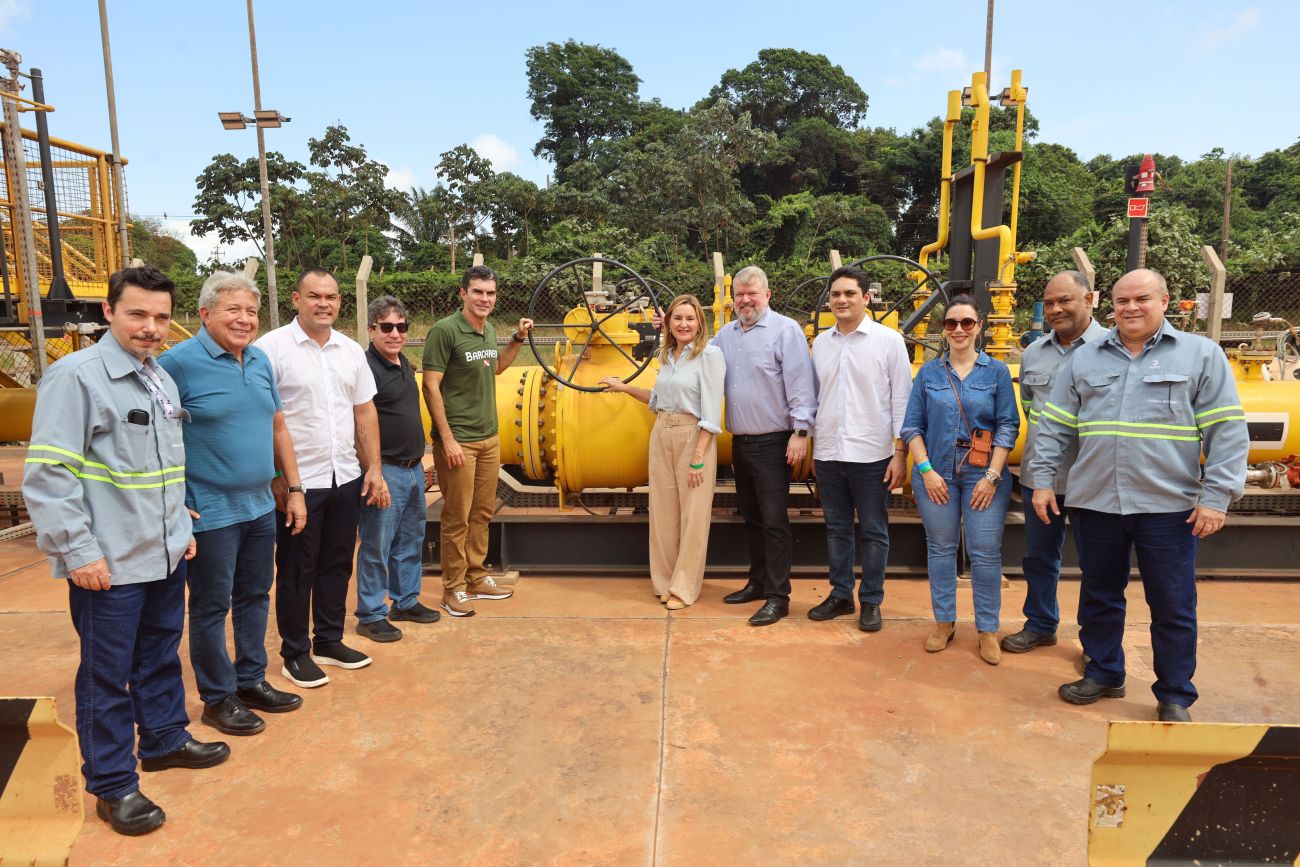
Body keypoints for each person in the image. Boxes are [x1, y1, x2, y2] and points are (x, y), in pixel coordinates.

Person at [24, 266, 229, 836]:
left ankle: (163, 739)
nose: (151, 327)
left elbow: (162, 469)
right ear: (109, 312)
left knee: (161, 655)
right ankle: (113, 784)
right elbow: (49, 475)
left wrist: (180, 530)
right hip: (107, 563)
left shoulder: (157, 377)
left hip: (162, 551)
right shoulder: (77, 378)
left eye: (162, 317)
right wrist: (78, 551)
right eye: (138, 314)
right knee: (107, 676)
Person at [1029, 269, 1248, 722]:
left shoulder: (1200, 355)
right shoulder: (1086, 360)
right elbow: (1053, 424)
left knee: (1172, 604)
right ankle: (1105, 671)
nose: (1130, 307)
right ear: (1109, 304)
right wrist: (1043, 478)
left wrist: (1216, 497)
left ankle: (1174, 693)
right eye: (1122, 300)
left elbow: (1227, 431)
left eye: (1141, 298)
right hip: (1095, 502)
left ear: (1165, 301)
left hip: (1168, 508)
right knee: (1099, 595)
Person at [159, 271, 308, 736]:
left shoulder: (260, 360)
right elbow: (155, 438)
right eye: (233, 310)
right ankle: (217, 698)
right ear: (205, 314)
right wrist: (171, 500)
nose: (244, 320)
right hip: (209, 511)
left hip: (259, 506)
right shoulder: (176, 365)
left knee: (253, 596)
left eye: (251, 311)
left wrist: (294, 487)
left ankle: (250, 681)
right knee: (209, 606)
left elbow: (277, 427)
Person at [254, 268, 388, 689]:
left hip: (345, 475)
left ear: (340, 302)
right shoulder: (270, 350)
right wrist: (277, 476)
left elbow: (364, 412)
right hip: (300, 483)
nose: (323, 304)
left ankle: (329, 639)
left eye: (331, 297)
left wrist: (374, 468)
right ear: (296, 299)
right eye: (314, 296)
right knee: (297, 569)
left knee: (336, 563)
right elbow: (263, 418)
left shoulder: (350, 351)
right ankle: (295, 653)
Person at [901, 294, 1020, 665]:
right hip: (936, 474)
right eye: (951, 323)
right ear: (943, 329)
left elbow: (1008, 426)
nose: (958, 330)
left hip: (985, 476)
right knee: (940, 549)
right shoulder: (929, 374)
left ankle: (987, 628)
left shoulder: (996, 372)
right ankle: (944, 621)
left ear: (979, 327)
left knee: (985, 554)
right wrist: (926, 470)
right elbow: (911, 426)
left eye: (966, 323)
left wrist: (992, 475)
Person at [1001, 271, 1106, 654]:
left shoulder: (1110, 347)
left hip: (1092, 476)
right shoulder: (1034, 352)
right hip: (1040, 476)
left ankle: (1097, 644)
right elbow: (1031, 406)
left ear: (1089, 299)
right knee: (1039, 556)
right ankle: (1041, 623)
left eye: (1065, 300)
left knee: (1098, 564)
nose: (1056, 309)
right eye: (1049, 303)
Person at [422, 265, 533, 617]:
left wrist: (516, 338)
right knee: (457, 515)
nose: (485, 299)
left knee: (482, 512)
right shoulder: (445, 331)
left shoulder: (486, 332)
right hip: (460, 441)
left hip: (489, 438)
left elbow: (497, 367)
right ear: (463, 294)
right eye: (478, 292)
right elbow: (430, 385)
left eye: (490, 293)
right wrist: (448, 440)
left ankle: (476, 575)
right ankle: (452, 588)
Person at [601, 295, 725, 609]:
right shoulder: (667, 356)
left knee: (693, 515)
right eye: (678, 318)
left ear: (700, 323)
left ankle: (684, 588)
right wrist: (624, 387)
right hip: (662, 433)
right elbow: (657, 398)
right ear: (668, 322)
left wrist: (698, 455)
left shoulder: (709, 356)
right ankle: (665, 582)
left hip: (692, 437)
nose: (684, 324)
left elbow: (711, 412)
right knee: (663, 514)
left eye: (690, 318)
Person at [711, 265, 817, 626]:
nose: (745, 299)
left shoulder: (785, 330)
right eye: (739, 294)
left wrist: (800, 434)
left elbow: (801, 383)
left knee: (774, 521)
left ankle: (778, 596)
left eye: (752, 293)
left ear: (767, 295)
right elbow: (697, 356)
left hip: (775, 443)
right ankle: (756, 582)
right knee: (752, 518)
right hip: (741, 441)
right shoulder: (725, 336)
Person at [808, 266, 912, 631]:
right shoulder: (820, 344)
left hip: (872, 454)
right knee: (836, 528)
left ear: (866, 298)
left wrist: (900, 453)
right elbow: (815, 397)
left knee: (873, 530)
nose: (841, 300)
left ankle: (871, 600)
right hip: (829, 452)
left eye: (850, 293)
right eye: (835, 294)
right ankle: (840, 594)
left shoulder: (889, 341)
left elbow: (902, 400)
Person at [354, 296, 442, 642]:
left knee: (410, 539)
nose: (395, 334)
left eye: (401, 327)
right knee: (377, 544)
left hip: (412, 469)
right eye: (387, 327)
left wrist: (420, 466)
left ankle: (405, 601)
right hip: (385, 470)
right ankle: (371, 613)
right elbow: (358, 425)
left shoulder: (404, 362)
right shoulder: (366, 369)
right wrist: (373, 473)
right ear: (372, 329)